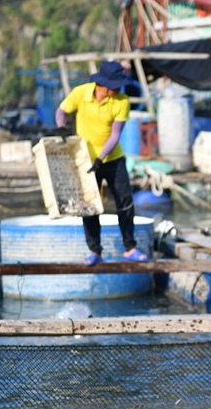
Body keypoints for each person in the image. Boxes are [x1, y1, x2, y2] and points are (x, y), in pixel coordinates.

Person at [55, 60, 148, 264]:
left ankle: (130, 248)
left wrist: (100, 159)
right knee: (89, 206)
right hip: (85, 160)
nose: (118, 89)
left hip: (113, 158)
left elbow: (115, 136)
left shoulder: (122, 101)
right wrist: (62, 128)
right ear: (103, 84)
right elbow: (61, 112)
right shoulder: (81, 93)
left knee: (125, 202)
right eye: (115, 85)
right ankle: (95, 251)